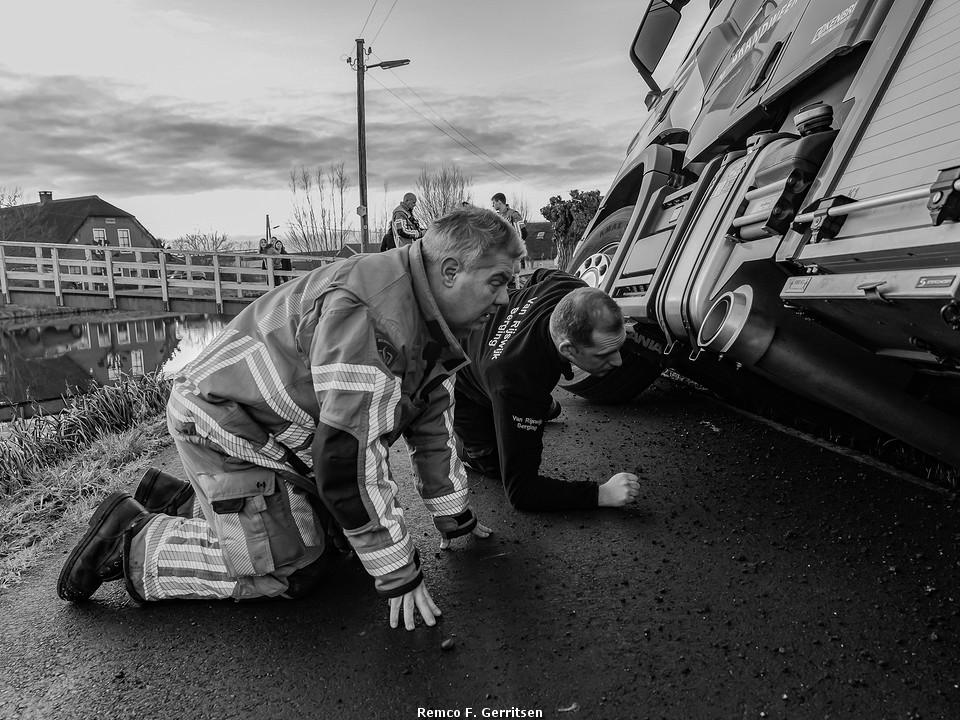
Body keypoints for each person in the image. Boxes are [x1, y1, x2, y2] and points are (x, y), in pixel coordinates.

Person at [57, 207, 526, 632]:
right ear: (449, 271)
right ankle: (134, 539)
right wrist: (397, 572)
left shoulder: (429, 315)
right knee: (294, 568)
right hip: (223, 423)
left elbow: (430, 417)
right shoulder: (378, 320)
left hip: (273, 427)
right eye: (498, 281)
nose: (506, 298)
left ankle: (181, 500)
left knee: (337, 537)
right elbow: (347, 458)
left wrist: (453, 514)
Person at [454, 268, 640, 512]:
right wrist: (601, 494)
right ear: (568, 349)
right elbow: (522, 493)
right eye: (604, 354)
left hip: (503, 376)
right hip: (461, 381)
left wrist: (516, 304)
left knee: (526, 410)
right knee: (493, 464)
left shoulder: (566, 285)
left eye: (618, 346)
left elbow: (537, 275)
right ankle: (466, 445)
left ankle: (536, 410)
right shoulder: (518, 381)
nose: (618, 361)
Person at [491, 193, 527, 270]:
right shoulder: (496, 217)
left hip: (513, 252)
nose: (492, 205)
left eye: (494, 203)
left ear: (499, 202)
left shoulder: (513, 214)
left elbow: (523, 232)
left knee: (516, 274)